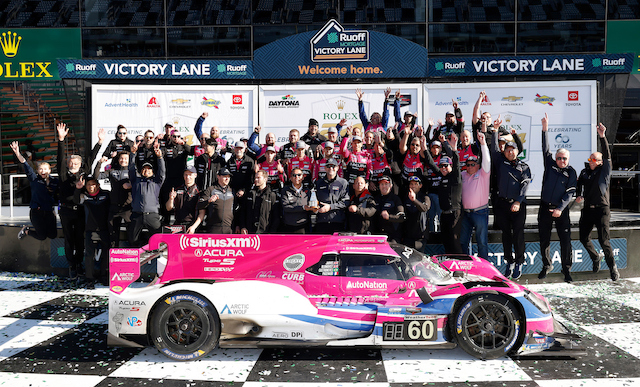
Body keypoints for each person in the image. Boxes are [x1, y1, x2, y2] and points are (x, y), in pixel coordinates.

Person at [576, 122, 619, 281]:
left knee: (603, 240)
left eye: (594, 159)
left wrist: (602, 136)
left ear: (600, 162)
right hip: (588, 209)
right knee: (583, 238)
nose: (591, 161)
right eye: (590, 159)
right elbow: (579, 183)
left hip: (602, 209)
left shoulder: (604, 171)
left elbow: (607, 156)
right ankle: (595, 257)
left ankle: (612, 267)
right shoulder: (585, 172)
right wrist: (579, 194)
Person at [538, 114, 578, 282]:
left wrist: (560, 208)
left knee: (565, 241)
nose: (562, 160)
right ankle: (547, 265)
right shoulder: (550, 164)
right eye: (559, 158)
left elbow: (569, 193)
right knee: (544, 239)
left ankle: (566, 270)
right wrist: (545, 128)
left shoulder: (571, 172)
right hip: (545, 208)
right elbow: (545, 147)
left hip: (561, 211)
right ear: (556, 158)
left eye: (565, 158)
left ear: (568, 160)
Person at [491, 131, 531, 280]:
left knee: (518, 235)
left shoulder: (524, 167)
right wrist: (494, 131)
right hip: (502, 205)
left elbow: (525, 186)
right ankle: (509, 262)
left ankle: (519, 262)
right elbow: (494, 149)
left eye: (512, 150)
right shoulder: (500, 162)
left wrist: (518, 201)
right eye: (507, 150)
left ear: (517, 152)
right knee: (506, 235)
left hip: (518, 206)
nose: (510, 152)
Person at [57, 122, 89, 278]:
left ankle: (79, 263)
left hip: (81, 211)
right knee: (69, 239)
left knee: (80, 240)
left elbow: (93, 161)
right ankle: (72, 265)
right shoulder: (63, 175)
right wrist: (61, 140)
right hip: (65, 211)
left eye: (76, 163)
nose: (73, 165)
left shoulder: (83, 176)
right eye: (71, 163)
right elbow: (60, 158)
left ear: (80, 164)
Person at [424, 134, 463, 254]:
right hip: (444, 214)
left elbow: (456, 164)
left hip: (454, 213)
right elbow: (431, 163)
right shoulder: (441, 176)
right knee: (446, 241)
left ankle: (460, 267)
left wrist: (454, 149)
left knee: (454, 241)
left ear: (450, 166)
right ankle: (451, 267)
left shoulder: (455, 177)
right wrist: (424, 148)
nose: (443, 168)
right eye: (441, 166)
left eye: (446, 165)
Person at [12, 141, 58, 242]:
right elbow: (25, 164)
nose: (43, 171)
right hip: (36, 212)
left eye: (45, 169)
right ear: (38, 171)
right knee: (42, 236)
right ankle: (26, 231)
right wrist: (18, 153)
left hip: (49, 212)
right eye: (40, 169)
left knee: (53, 235)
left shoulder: (55, 181)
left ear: (49, 170)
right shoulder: (34, 179)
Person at [73, 175, 110, 284]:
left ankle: (104, 276)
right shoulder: (84, 196)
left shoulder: (106, 195)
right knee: (89, 256)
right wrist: (77, 189)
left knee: (106, 255)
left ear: (98, 185)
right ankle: (90, 278)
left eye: (93, 184)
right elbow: (76, 200)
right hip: (90, 230)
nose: (91, 186)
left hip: (105, 230)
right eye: (88, 184)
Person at [460, 132, 491, 260]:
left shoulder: (483, 174)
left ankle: (484, 268)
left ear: (478, 165)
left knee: (482, 242)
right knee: (463, 242)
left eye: (473, 164)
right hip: (466, 214)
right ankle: (465, 265)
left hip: (480, 212)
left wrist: (483, 143)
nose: (470, 167)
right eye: (468, 165)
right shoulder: (463, 175)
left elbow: (487, 160)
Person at [127, 144, 165, 247]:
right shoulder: (135, 181)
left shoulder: (157, 181)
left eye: (149, 169)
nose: (146, 171)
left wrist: (160, 157)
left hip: (152, 215)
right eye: (144, 169)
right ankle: (135, 261)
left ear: (152, 171)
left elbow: (162, 172)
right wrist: (133, 154)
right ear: (140, 171)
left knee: (158, 240)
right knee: (132, 240)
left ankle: (157, 260)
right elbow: (131, 168)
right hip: (137, 215)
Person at [94, 149, 132, 248]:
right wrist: (99, 163)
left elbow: (140, 184)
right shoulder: (112, 171)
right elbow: (96, 176)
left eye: (126, 159)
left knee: (131, 236)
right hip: (114, 208)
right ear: (118, 159)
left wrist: (131, 185)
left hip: (128, 208)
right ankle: (113, 260)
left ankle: (132, 259)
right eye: (121, 158)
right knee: (113, 237)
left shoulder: (133, 171)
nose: (123, 160)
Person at [192, 168, 236, 234]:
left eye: (228, 177)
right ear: (218, 176)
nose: (227, 179)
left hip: (229, 228)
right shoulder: (211, 189)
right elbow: (199, 205)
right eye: (224, 176)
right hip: (213, 227)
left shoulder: (232, 191)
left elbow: (236, 210)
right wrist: (209, 201)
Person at [314, 159, 350, 234]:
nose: (331, 168)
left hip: (337, 221)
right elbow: (314, 201)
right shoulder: (318, 183)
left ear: (337, 168)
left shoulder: (343, 183)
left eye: (333, 166)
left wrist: (330, 207)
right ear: (325, 168)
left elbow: (346, 202)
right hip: (322, 222)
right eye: (328, 166)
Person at [166, 166, 201, 233]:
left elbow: (202, 212)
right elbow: (168, 208)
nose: (187, 177)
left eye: (190, 175)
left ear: (195, 175)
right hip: (177, 224)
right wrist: (171, 199)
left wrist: (194, 226)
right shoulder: (177, 190)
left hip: (191, 225)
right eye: (186, 175)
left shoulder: (199, 191)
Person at [374, 176, 405, 243]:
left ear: (390, 186)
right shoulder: (376, 199)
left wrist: (389, 217)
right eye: (382, 184)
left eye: (386, 184)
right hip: (379, 235)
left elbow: (401, 217)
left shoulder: (396, 199)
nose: (384, 186)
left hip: (393, 236)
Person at [281, 167, 312, 233]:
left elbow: (310, 207)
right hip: (289, 225)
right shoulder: (285, 190)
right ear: (291, 178)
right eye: (294, 175)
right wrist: (303, 207)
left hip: (303, 226)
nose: (296, 177)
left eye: (299, 175)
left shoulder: (307, 191)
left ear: (303, 177)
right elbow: (286, 207)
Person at [402, 176, 431, 250]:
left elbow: (424, 208)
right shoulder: (405, 198)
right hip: (407, 236)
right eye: (411, 184)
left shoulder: (425, 197)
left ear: (420, 186)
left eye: (415, 184)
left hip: (420, 236)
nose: (413, 186)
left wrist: (414, 200)